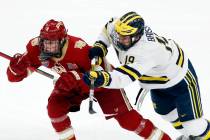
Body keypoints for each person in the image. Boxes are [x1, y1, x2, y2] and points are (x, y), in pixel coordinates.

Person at [6, 19, 171, 140]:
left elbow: (99, 81)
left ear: (63, 41)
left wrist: (76, 78)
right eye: (44, 42)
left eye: (52, 43)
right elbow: (13, 78)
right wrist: (16, 68)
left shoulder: (80, 50)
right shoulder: (36, 47)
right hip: (70, 83)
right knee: (54, 108)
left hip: (103, 81)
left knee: (128, 121)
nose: (46, 47)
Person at [83, 11, 210, 139]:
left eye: (124, 38)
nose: (119, 39)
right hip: (157, 80)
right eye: (118, 35)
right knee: (167, 114)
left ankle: (198, 134)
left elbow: (123, 77)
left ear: (137, 37)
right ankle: (189, 136)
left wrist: (102, 78)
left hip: (180, 80)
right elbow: (107, 29)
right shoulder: (120, 28)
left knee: (194, 126)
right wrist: (100, 46)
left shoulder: (146, 51)